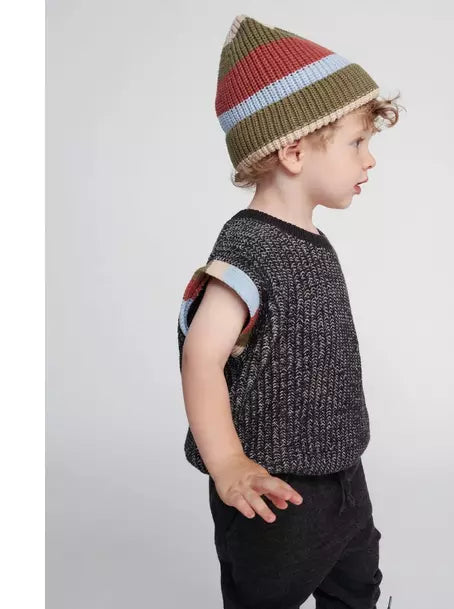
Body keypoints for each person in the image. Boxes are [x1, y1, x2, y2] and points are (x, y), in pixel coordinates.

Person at [177, 14, 401, 609]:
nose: (370, 160)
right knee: (265, 593)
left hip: (342, 475)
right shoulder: (247, 250)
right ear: (295, 151)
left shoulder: (310, 240)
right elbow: (201, 357)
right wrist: (229, 463)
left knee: (358, 585)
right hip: (276, 489)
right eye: (357, 143)